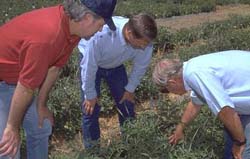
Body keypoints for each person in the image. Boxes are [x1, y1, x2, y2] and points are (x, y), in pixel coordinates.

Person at [0, 0, 117, 158]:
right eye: (101, 24)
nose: (101, 29)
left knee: (42, 127)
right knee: (8, 148)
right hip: (6, 82)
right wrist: (12, 128)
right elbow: (26, 87)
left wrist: (41, 105)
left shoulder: (72, 30)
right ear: (88, 18)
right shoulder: (48, 36)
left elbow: (54, 68)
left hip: (15, 81)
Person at [78, 13, 157, 149]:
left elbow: (141, 66)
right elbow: (89, 67)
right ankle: (93, 151)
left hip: (115, 65)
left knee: (126, 102)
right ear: (129, 33)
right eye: (142, 43)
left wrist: (130, 88)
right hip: (91, 63)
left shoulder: (145, 41)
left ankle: (130, 145)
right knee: (90, 108)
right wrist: (90, 95)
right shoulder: (101, 35)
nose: (144, 47)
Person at [152, 50, 250, 159]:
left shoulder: (194, 73)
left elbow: (225, 111)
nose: (171, 93)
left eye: (166, 90)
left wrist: (240, 143)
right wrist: (180, 127)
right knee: (232, 137)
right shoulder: (191, 68)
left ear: (172, 83)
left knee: (243, 153)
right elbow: (195, 103)